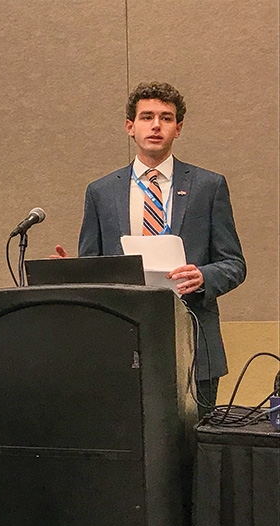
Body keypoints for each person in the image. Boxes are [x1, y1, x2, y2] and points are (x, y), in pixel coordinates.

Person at [54, 81, 246, 418]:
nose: (155, 125)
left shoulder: (208, 186)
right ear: (130, 127)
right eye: (146, 117)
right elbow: (93, 264)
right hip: (123, 344)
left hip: (194, 342)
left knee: (193, 453)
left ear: (178, 129)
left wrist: (202, 275)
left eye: (165, 118)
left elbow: (234, 263)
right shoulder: (100, 192)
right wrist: (74, 273)